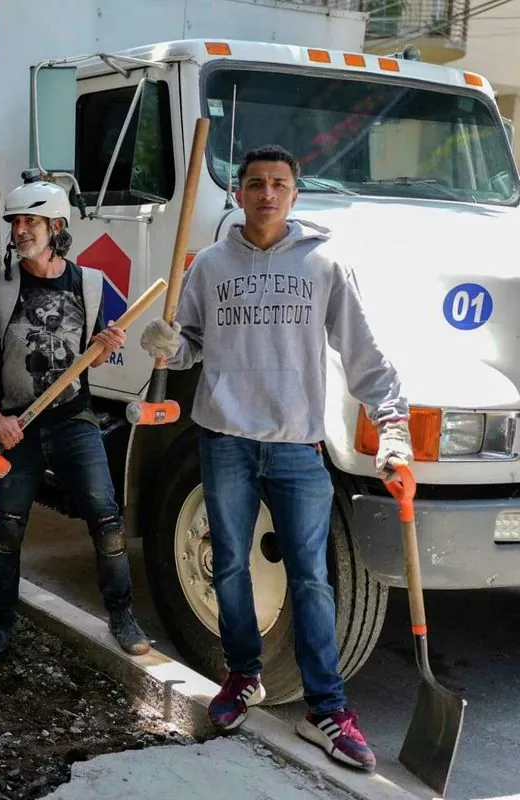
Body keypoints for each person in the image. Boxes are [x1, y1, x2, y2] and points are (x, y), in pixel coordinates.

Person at [138, 145, 411, 771]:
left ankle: (327, 709)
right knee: (229, 565)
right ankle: (244, 675)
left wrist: (392, 426)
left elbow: (364, 354)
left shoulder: (325, 264)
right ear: (238, 194)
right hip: (224, 439)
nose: (266, 193)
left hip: (295, 445)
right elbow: (188, 352)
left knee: (312, 579)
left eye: (279, 184)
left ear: (294, 194)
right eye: (255, 183)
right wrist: (166, 344)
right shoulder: (207, 266)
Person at [0, 177, 150, 669]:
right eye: (16, 223)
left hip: (74, 419)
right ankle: (1, 623)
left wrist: (104, 351)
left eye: (30, 222)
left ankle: (122, 615)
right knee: (9, 529)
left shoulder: (91, 284)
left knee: (106, 518)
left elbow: (89, 361)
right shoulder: (0, 290)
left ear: (57, 226)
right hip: (17, 424)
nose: (20, 231)